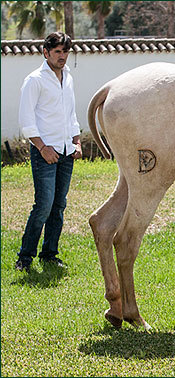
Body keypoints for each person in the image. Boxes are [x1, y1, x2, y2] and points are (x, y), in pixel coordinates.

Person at [15, 31, 82, 272]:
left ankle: (49, 254)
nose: (62, 56)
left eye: (65, 51)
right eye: (57, 52)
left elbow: (71, 113)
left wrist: (77, 141)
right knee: (43, 205)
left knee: (59, 205)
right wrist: (42, 148)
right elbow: (26, 120)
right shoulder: (35, 80)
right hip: (45, 152)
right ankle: (25, 256)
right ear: (45, 52)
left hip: (66, 151)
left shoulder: (69, 77)